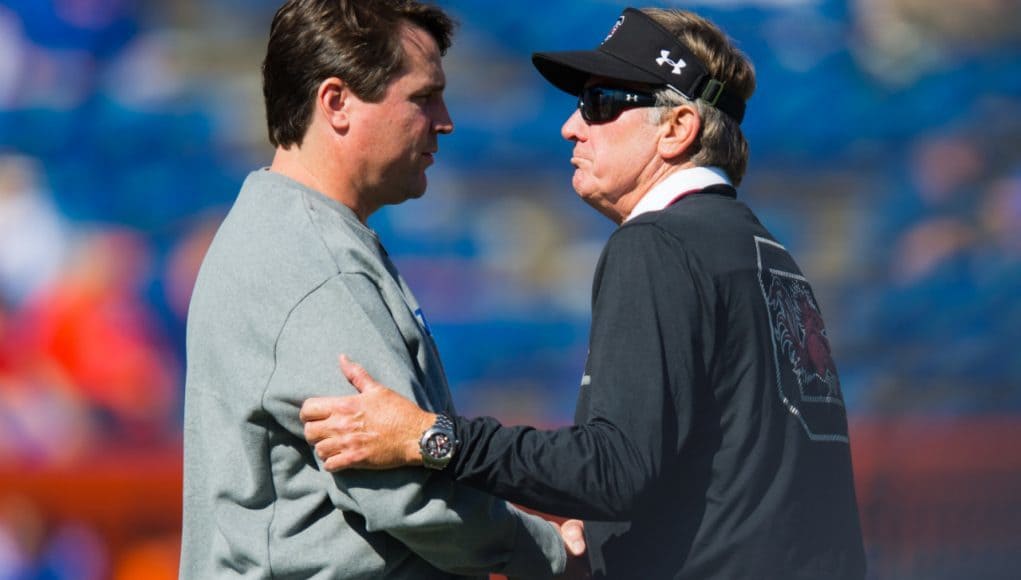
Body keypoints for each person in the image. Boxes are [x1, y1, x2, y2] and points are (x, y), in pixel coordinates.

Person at [300, 6, 867, 580]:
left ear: (677, 129)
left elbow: (614, 469)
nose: (572, 127)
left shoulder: (659, 243)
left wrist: (431, 437)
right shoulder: (768, 255)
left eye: (601, 104)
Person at [180, 1, 584, 578]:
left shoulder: (282, 228)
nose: (444, 120)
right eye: (423, 97)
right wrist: (552, 554)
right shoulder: (313, 265)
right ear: (336, 102)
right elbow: (405, 494)